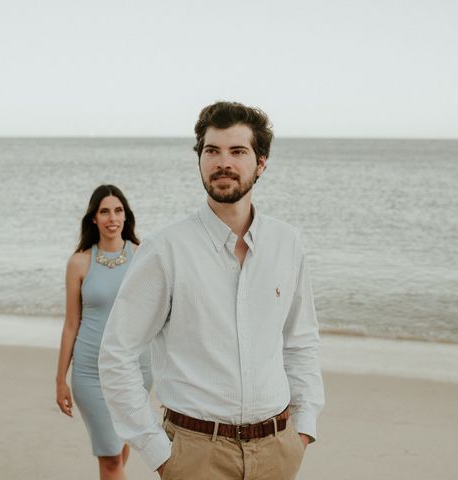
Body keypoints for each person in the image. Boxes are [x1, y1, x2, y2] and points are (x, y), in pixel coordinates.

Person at [99, 102, 324, 480]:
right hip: (195, 455)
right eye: (212, 151)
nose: (224, 163)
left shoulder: (287, 244)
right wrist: (160, 453)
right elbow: (117, 354)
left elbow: (300, 342)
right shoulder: (165, 249)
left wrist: (303, 429)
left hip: (277, 450)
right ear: (199, 160)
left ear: (262, 162)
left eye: (238, 151)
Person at [56, 185, 152, 480]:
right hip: (90, 372)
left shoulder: (143, 256)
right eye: (105, 211)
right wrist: (60, 379)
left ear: (126, 216)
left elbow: (155, 316)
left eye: (118, 210)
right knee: (110, 459)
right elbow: (72, 323)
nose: (113, 218)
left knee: (120, 445)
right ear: (94, 219)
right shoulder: (79, 262)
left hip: (134, 370)